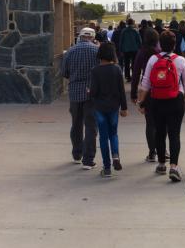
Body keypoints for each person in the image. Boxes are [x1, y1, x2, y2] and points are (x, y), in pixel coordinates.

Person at [138, 30, 185, 182]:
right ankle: (174, 166)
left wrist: (141, 102)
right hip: (176, 99)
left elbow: (145, 83)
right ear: (174, 45)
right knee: (175, 134)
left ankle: (161, 163)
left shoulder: (152, 60)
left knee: (160, 133)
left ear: (159, 44)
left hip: (156, 100)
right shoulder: (181, 60)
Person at [62, 27, 99, 169]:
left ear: (80, 36)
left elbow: (64, 72)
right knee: (91, 126)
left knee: (76, 124)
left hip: (74, 93)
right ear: (93, 37)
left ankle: (77, 154)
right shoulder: (96, 51)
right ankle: (88, 160)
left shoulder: (70, 51)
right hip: (91, 94)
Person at [90, 42, 128, 178]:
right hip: (114, 107)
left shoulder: (95, 71)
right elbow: (121, 91)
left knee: (103, 137)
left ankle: (106, 168)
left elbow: (93, 92)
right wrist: (124, 107)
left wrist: (89, 92)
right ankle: (116, 156)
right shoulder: (117, 69)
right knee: (114, 134)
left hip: (100, 107)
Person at [131, 28, 160, 162]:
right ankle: (162, 149)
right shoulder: (160, 53)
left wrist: (134, 93)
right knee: (161, 122)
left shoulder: (141, 53)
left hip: (147, 90)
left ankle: (152, 152)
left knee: (150, 123)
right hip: (161, 88)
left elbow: (136, 73)